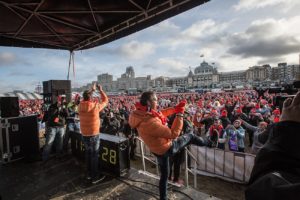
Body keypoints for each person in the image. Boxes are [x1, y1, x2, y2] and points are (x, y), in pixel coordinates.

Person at [129, 91, 208, 200]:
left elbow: (160, 113)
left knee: (164, 176)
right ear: (148, 102)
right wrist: (179, 114)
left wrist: (175, 108)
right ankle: (209, 142)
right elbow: (173, 134)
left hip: (156, 149)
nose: (157, 101)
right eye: (156, 99)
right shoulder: (149, 122)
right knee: (190, 136)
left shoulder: (139, 114)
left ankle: (163, 198)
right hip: (166, 148)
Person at [245, 92, 300, 200]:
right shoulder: (257, 131)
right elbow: (254, 131)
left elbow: (263, 190)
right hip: (256, 150)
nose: (261, 126)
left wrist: (288, 128)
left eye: (263, 125)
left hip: (265, 152)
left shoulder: (270, 132)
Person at [78, 83, 108, 184]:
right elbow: (105, 101)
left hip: (84, 134)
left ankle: (88, 174)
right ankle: (95, 177)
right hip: (94, 134)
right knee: (94, 155)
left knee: (88, 154)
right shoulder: (95, 106)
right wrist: (100, 90)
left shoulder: (80, 106)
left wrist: (91, 91)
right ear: (91, 97)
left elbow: (84, 99)